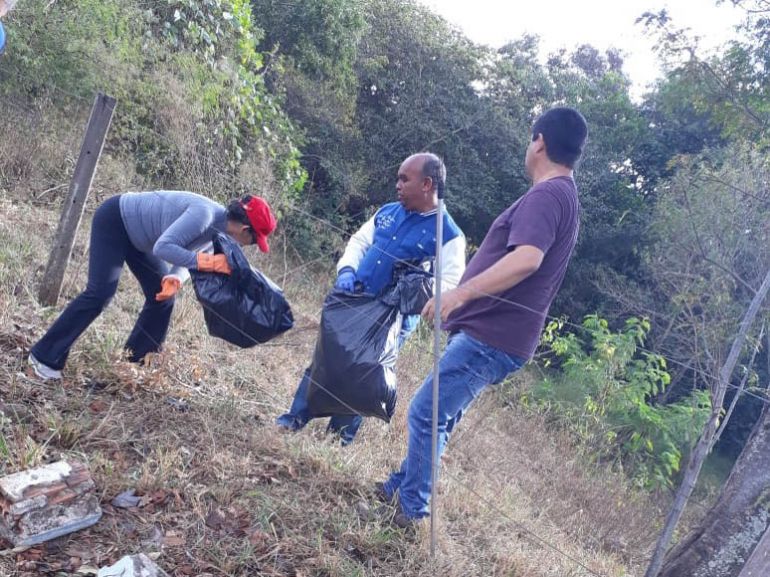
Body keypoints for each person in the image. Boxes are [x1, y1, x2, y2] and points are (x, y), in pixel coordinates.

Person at [378, 107, 588, 527]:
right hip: (498, 335)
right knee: (440, 415)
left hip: (493, 335)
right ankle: (400, 488)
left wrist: (458, 295)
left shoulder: (547, 195)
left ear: (541, 142)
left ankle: (410, 513)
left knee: (425, 412)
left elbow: (527, 259)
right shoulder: (566, 196)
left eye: (532, 140)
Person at [276, 152, 466, 445]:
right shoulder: (388, 211)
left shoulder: (448, 234)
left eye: (405, 179)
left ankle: (338, 440)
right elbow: (360, 241)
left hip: (392, 319)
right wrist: (347, 270)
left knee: (364, 376)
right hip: (354, 299)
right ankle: (294, 419)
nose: (398, 185)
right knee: (326, 358)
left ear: (427, 184)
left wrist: (413, 288)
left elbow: (450, 285)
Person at [28, 191, 277, 381]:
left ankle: (135, 364)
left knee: (163, 297)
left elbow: (191, 255)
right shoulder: (204, 215)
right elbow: (165, 247)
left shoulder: (221, 234)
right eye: (254, 241)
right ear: (245, 229)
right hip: (115, 221)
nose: (250, 246)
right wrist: (207, 262)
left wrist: (176, 279)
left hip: (140, 240)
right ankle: (43, 357)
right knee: (100, 293)